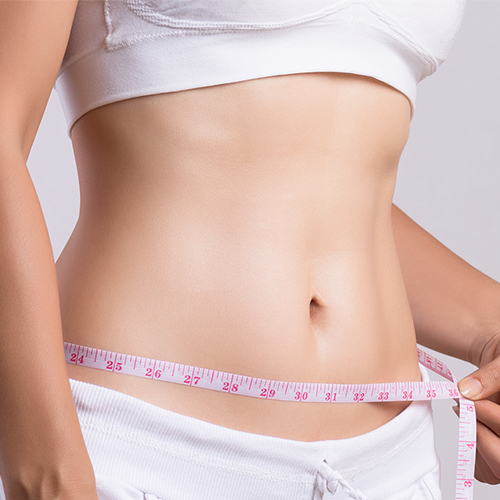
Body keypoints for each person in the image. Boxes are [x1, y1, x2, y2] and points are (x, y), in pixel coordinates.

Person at [0, 0, 499, 498]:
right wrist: (45, 467)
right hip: (145, 452)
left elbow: (308, 191)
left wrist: (490, 330)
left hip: (393, 465)